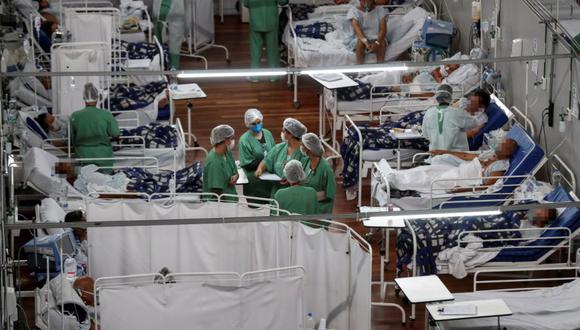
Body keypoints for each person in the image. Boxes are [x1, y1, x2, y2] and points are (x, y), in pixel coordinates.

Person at [70, 83, 120, 172]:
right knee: (104, 179)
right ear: (97, 98)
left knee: (84, 179)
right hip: (103, 156)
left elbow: (70, 138)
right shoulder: (106, 115)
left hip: (83, 155)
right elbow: (115, 133)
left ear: (84, 98)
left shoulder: (75, 116)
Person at [255, 118, 310, 197]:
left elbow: (306, 173)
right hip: (277, 191)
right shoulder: (279, 148)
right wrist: (260, 169)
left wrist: (291, 180)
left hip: (295, 193)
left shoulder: (304, 152)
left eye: (284, 131)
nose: (283, 133)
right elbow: (267, 161)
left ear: (291, 134)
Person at [422, 84, 478, 151]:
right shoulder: (457, 113)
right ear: (450, 96)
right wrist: (467, 111)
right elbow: (474, 123)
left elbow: (425, 135)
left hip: (435, 156)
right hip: (456, 156)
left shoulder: (429, 112)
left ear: (437, 97)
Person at [243, 0, 288, 82]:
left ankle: (255, 76)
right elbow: (283, 2)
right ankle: (274, 76)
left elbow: (245, 3)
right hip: (271, 20)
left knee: (255, 50)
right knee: (272, 49)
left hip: (255, 20)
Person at [238, 109, 276, 202]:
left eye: (259, 122)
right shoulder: (244, 140)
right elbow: (247, 164)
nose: (257, 126)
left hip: (270, 178)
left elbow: (275, 151)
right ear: (247, 124)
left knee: (273, 203)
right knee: (256, 206)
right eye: (253, 124)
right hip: (255, 179)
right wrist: (266, 162)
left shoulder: (267, 133)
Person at [301, 133, 336, 215]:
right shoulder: (305, 161)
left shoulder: (326, 169)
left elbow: (329, 193)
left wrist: (309, 197)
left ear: (309, 149)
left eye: (303, 145)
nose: (301, 147)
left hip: (320, 210)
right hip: (305, 207)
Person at [203, 125, 239, 201]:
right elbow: (217, 193)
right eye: (231, 138)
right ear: (225, 140)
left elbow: (234, 170)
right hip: (218, 205)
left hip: (230, 198)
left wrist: (236, 176)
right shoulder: (214, 163)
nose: (233, 141)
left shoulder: (227, 152)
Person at [347, 0, 388, 64]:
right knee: (360, 43)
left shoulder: (380, 10)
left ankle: (380, 67)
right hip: (361, 38)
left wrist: (377, 43)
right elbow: (357, 29)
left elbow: (383, 30)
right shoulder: (354, 11)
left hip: (377, 37)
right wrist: (366, 42)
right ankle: (360, 69)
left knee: (382, 43)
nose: (366, 2)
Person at [153, 0, 185, 69]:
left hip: (175, 16)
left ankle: (174, 68)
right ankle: (160, 64)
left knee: (174, 44)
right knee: (159, 43)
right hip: (159, 15)